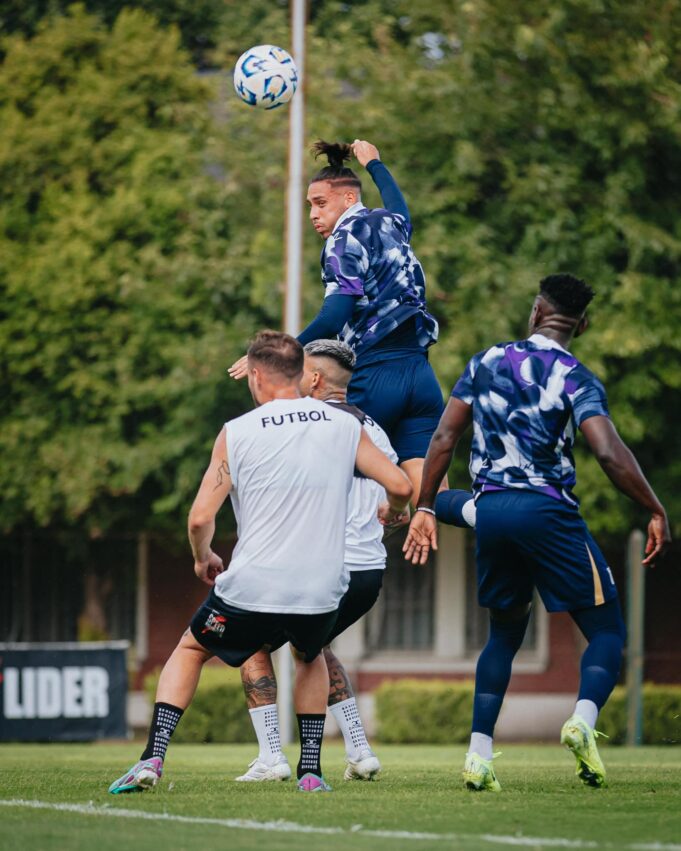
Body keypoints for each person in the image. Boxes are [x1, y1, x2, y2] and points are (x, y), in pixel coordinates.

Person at [108, 331, 412, 795]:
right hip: (323, 586)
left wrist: (203, 557)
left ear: (255, 377)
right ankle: (310, 772)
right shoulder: (344, 426)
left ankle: (152, 759)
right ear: (301, 374)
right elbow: (402, 485)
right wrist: (395, 507)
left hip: (256, 581)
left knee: (191, 649)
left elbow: (200, 518)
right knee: (310, 653)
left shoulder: (238, 431)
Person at [404, 274, 670, 791]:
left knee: (504, 634)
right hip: (548, 512)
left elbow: (443, 437)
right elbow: (609, 453)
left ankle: (478, 756)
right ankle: (582, 721)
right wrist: (653, 507)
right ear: (581, 325)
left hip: (492, 510)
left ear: (535, 312)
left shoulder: (484, 362)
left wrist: (426, 505)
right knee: (608, 632)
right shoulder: (577, 377)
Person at [229, 140, 444, 503]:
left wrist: (277, 353)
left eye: (321, 203)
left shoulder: (343, 240)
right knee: (430, 498)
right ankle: (479, 514)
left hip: (376, 373)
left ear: (348, 199)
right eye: (310, 206)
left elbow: (335, 315)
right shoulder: (389, 223)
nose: (313, 214)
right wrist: (375, 164)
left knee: (333, 484)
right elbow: (401, 209)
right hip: (420, 374)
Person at [235, 340, 401, 784]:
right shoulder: (375, 430)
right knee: (314, 648)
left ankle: (272, 755)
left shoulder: (308, 425)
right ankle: (360, 751)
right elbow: (395, 497)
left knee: (251, 643)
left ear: (313, 379)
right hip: (369, 572)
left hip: (318, 564)